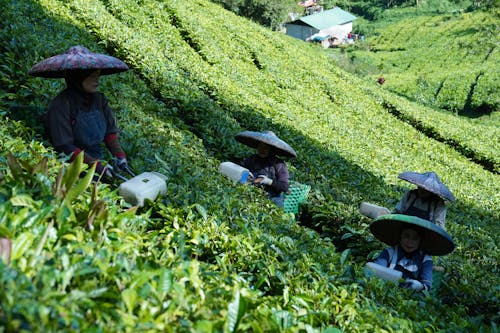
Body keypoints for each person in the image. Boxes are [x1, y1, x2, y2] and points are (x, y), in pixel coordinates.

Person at [28, 45, 130, 180]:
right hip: (72, 166)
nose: (97, 80)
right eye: (92, 76)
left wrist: (120, 156)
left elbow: (110, 133)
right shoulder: (61, 104)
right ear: (78, 78)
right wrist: (96, 166)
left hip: (98, 159)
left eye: (98, 75)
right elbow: (64, 146)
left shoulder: (99, 100)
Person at [368, 214, 455, 291]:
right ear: (400, 236)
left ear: (420, 241)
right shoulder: (389, 252)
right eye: (406, 236)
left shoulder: (425, 259)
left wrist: (418, 286)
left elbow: (427, 285)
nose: (410, 242)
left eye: (415, 238)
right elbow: (375, 271)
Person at [235, 130, 297, 208]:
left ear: (271, 149)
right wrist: (246, 178)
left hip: (273, 198)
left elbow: (284, 186)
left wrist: (269, 181)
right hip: (252, 193)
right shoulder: (251, 160)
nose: (262, 150)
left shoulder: (279, 164)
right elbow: (241, 172)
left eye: (266, 147)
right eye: (260, 147)